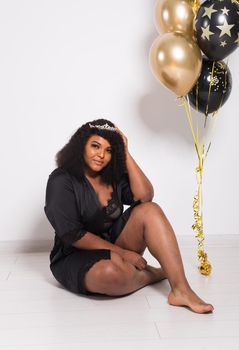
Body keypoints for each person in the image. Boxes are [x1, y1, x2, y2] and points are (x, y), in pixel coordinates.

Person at [44, 118, 214, 314]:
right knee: (110, 274)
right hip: (74, 254)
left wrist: (125, 152)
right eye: (95, 146)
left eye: (109, 150)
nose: (101, 155)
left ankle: (181, 290)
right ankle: (152, 274)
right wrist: (124, 254)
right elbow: (72, 234)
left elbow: (145, 196)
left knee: (150, 210)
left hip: (115, 242)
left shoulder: (111, 175)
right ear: (81, 146)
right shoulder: (61, 180)